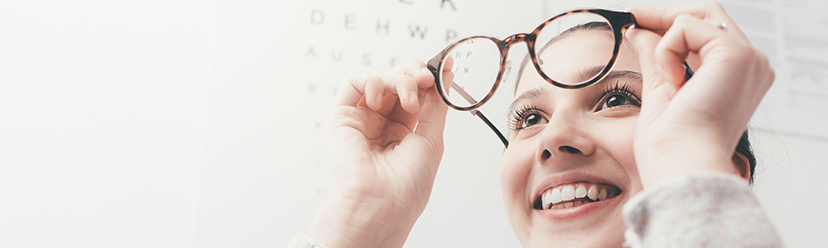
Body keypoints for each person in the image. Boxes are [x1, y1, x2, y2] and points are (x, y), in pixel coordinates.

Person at [291, 2, 782, 248]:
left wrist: (689, 163)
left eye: (614, 98)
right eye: (529, 118)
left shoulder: (697, 169)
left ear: (725, 174)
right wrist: (365, 220)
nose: (553, 140)